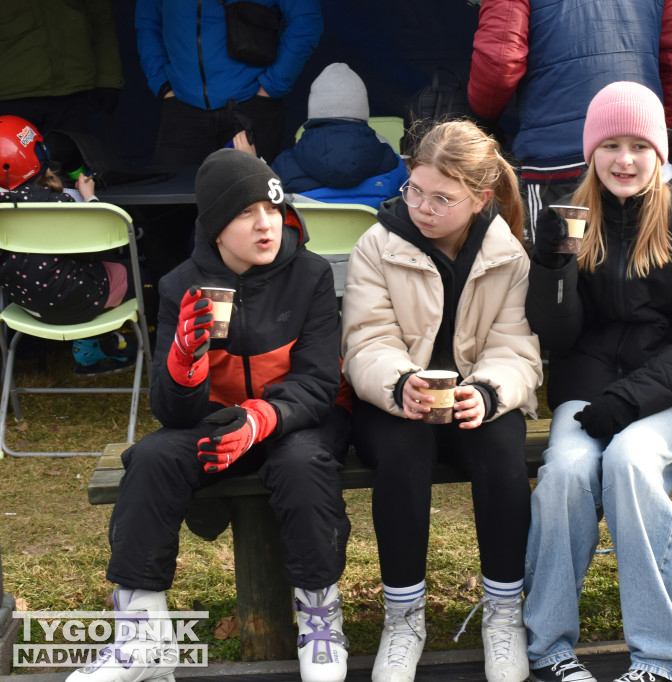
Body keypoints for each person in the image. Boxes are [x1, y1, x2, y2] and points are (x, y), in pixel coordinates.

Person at [64, 149, 353, 682]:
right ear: (217, 226)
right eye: (246, 213)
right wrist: (183, 363)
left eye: (272, 208)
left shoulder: (310, 274)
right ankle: (144, 638)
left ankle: (320, 615)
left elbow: (319, 383)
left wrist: (260, 419)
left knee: (301, 464)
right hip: (216, 426)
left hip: (296, 422)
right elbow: (172, 414)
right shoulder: (178, 285)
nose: (266, 224)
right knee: (150, 458)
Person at [524, 81, 672, 682]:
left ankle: (665, 658)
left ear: (660, 152)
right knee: (566, 472)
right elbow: (559, 337)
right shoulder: (573, 216)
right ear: (592, 153)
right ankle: (547, 647)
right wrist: (551, 267)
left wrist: (626, 401)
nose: (625, 159)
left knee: (629, 462)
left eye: (639, 146)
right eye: (611, 145)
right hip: (590, 391)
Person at [341, 120, 542, 682]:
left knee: (503, 450)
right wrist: (400, 381)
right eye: (415, 190)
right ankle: (403, 618)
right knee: (403, 451)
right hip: (396, 402)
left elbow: (516, 349)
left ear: (480, 199)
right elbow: (365, 340)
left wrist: (487, 392)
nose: (423, 207)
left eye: (442, 198)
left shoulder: (509, 255)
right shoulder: (377, 245)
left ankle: (504, 614)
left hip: (474, 397)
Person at [467, 0, 672, 245]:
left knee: (560, 266)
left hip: (559, 166)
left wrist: (483, 116)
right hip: (633, 164)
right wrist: (646, 132)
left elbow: (500, 65)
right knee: (634, 268)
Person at [0, 115, 136, 374]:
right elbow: (100, 247)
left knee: (62, 275)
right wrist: (89, 197)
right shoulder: (58, 204)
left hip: (25, 307)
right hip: (79, 300)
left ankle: (88, 347)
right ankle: (104, 345)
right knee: (138, 273)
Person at [136, 0, 322, 165]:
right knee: (172, 199)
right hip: (182, 107)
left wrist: (270, 87)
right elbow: (147, 22)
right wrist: (162, 84)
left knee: (252, 199)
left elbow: (306, 21)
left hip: (252, 104)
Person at [233, 62, 408, 208]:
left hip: (306, 249)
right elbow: (411, 201)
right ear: (363, 108)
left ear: (314, 108)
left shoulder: (285, 164)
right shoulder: (391, 163)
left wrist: (253, 165)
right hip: (371, 249)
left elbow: (264, 205)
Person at [0, 1, 123, 135]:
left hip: (73, 91)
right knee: (14, 154)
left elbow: (101, 20)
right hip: (12, 95)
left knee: (69, 153)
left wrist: (108, 79)